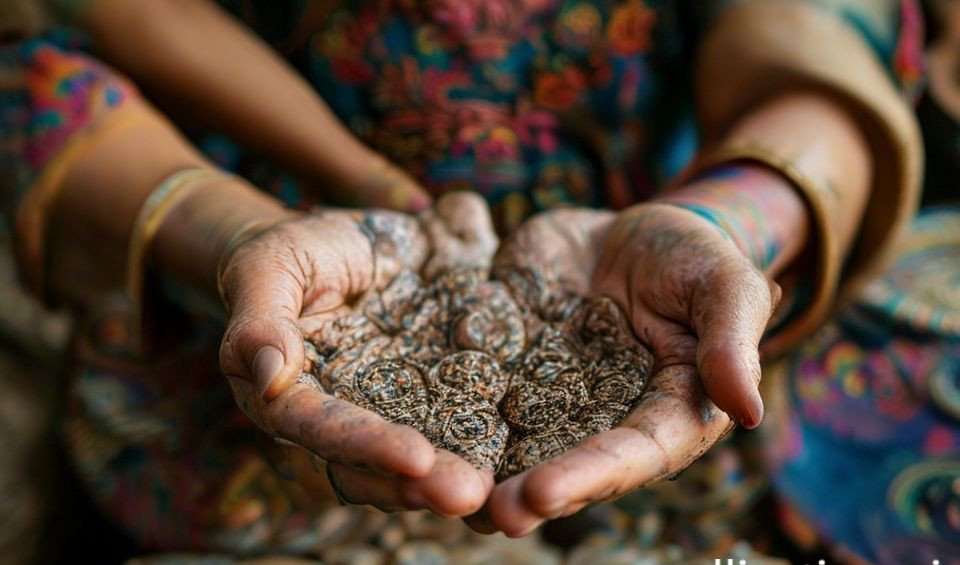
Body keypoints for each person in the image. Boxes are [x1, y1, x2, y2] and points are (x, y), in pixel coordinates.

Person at [0, 0, 946, 563]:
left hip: (670, 296)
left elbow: (826, 42)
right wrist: (252, 228)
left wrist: (722, 223)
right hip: (254, 314)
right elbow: (56, 54)